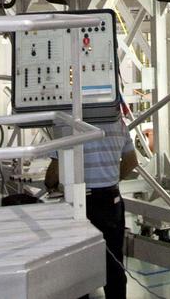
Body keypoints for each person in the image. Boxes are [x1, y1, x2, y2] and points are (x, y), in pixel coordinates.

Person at [46, 117, 138, 299]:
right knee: (113, 263)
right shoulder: (117, 122)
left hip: (82, 202)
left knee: (78, 266)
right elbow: (131, 160)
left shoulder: (69, 124)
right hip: (111, 200)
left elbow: (54, 173)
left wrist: (50, 184)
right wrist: (111, 180)